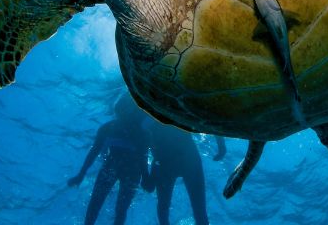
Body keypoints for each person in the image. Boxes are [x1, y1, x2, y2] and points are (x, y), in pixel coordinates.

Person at [68, 96, 151, 225]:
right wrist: (81, 174)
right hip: (124, 168)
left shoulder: (139, 132)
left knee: (115, 208)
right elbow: (94, 152)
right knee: (101, 204)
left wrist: (146, 177)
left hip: (122, 168)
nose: (124, 118)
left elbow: (143, 155)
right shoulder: (109, 128)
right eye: (121, 114)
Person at [143, 119, 226, 225]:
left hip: (166, 160)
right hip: (185, 156)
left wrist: (146, 174)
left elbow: (141, 141)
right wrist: (221, 143)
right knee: (199, 209)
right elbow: (207, 117)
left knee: (164, 208)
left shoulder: (147, 116)